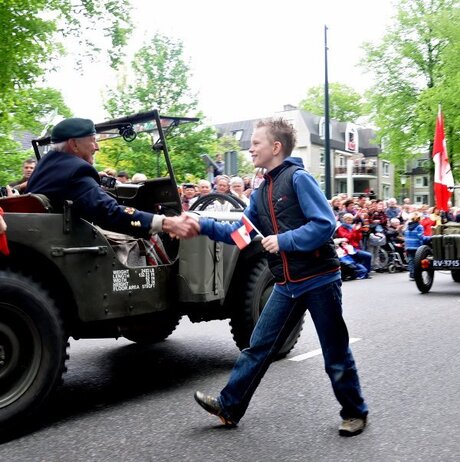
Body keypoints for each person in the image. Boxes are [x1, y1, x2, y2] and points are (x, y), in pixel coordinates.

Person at [193, 118, 368, 436]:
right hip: (286, 283)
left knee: (334, 351)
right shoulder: (260, 194)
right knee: (257, 347)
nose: (250, 148)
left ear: (276, 148)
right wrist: (199, 225)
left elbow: (325, 223)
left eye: (256, 143)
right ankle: (229, 406)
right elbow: (240, 234)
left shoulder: (299, 179)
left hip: (319, 279)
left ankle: (355, 412)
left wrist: (284, 240)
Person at [27, 117, 199, 239]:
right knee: (152, 243)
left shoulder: (45, 167)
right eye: (93, 140)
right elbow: (111, 212)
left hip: (46, 236)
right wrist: (164, 222)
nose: (97, 147)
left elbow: (82, 195)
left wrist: (94, 182)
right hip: (70, 242)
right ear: (74, 144)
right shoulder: (77, 171)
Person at [404, 212, 424, 280]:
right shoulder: (419, 226)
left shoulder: (408, 226)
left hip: (409, 246)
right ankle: (416, 274)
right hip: (416, 246)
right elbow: (420, 237)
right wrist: (428, 238)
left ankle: (411, 274)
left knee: (411, 260)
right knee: (417, 261)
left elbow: (405, 235)